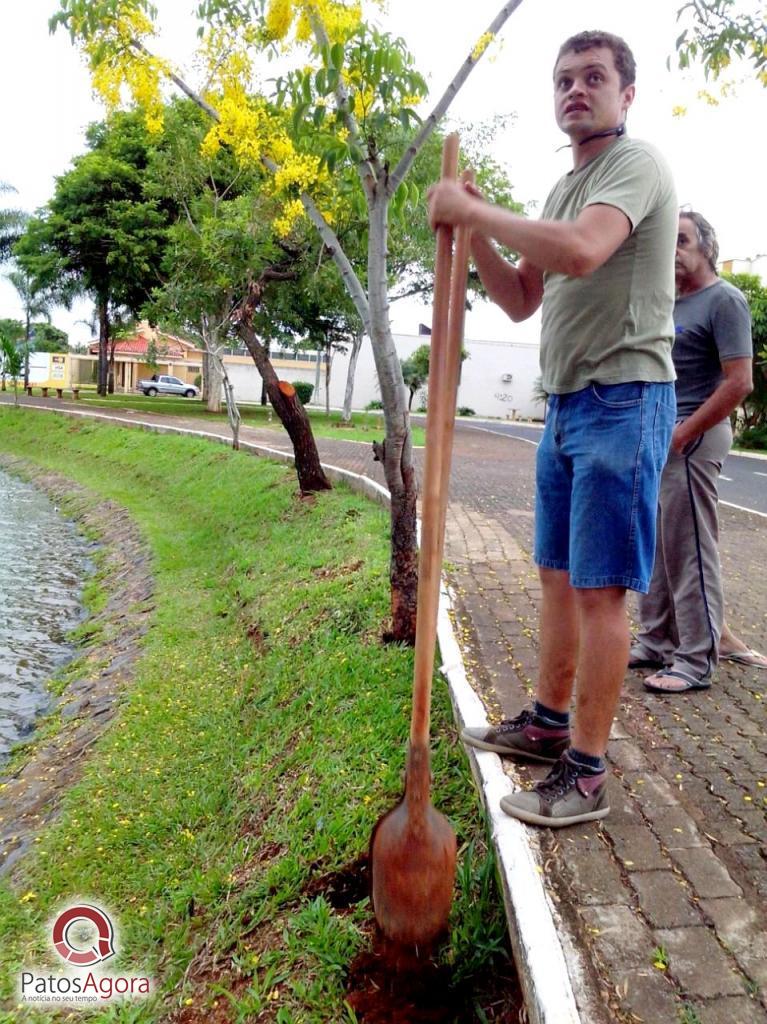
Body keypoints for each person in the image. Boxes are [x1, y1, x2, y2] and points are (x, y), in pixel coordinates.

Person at [428, 30, 677, 827]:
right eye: (563, 79)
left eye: (593, 78)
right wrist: (472, 238)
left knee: (602, 592)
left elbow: (578, 254)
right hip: (568, 403)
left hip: (624, 398)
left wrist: (475, 208)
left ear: (625, 94)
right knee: (558, 578)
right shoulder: (557, 189)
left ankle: (586, 773)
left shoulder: (634, 167)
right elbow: (518, 298)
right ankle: (545, 721)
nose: (576, 90)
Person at [630, 211, 754, 693]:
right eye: (668, 241)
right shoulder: (669, 303)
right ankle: (657, 641)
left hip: (695, 436)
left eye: (681, 240)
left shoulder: (724, 300)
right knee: (658, 548)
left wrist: (683, 433)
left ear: (706, 247)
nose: (673, 250)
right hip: (662, 435)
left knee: (691, 552)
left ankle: (697, 659)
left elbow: (739, 382)